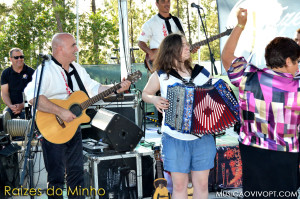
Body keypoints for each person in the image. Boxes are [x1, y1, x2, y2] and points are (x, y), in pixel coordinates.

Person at [24, 33, 131, 199]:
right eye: (73, 45)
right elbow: (32, 97)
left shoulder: (77, 69)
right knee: (56, 178)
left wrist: (117, 88)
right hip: (51, 127)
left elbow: (95, 89)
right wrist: (61, 112)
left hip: (73, 127)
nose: (77, 49)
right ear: (60, 48)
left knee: (76, 174)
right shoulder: (45, 69)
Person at [222, 8, 300, 198]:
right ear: (288, 61)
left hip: (252, 153)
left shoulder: (247, 76)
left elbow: (226, 56)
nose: (298, 66)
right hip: (286, 156)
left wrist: (240, 25)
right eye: (297, 61)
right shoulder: (297, 86)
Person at [142, 33, 216, 199]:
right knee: (180, 186)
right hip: (174, 138)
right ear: (172, 49)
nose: (188, 47)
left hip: (202, 137)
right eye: (183, 45)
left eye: (187, 44)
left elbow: (214, 97)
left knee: (202, 185)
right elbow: (145, 93)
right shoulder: (162, 75)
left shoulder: (202, 73)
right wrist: (154, 99)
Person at [1, 48, 34, 119]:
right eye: (16, 57)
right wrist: (11, 106)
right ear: (11, 59)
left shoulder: (31, 72)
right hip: (12, 107)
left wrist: (22, 105)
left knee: (27, 121)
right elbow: (4, 93)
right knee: (3, 118)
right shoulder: (6, 73)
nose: (19, 59)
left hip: (27, 106)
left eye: (21, 57)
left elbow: (34, 93)